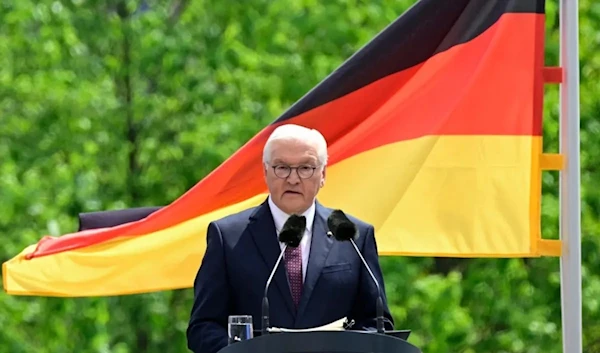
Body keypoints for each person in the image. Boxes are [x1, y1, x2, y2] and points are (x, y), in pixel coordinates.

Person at [186, 124, 394, 353]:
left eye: (306, 168)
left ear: (322, 174)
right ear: (265, 171)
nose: (293, 179)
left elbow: (377, 323)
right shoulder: (228, 236)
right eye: (282, 168)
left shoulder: (353, 236)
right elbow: (202, 327)